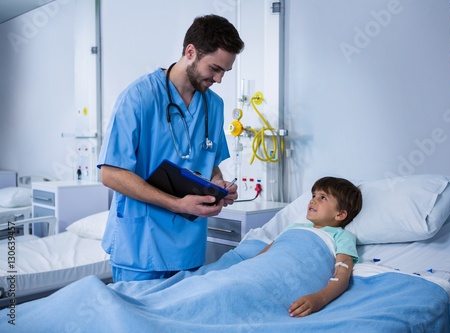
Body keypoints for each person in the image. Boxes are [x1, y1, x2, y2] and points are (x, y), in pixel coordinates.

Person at [97, 14, 245, 283]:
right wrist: (177, 204)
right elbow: (110, 173)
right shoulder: (138, 97)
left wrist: (218, 185)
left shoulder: (214, 105)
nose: (219, 79)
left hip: (189, 251)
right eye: (214, 68)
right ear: (190, 52)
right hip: (141, 248)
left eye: (225, 71)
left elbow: (209, 161)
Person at [259, 176, 362, 318]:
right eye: (314, 195)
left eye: (323, 198)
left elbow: (342, 275)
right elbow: (267, 252)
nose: (312, 200)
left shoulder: (341, 236)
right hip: (262, 270)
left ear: (340, 214)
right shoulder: (294, 227)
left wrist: (319, 298)